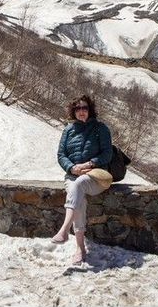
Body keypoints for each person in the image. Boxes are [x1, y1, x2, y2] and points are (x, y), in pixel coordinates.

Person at [51, 94, 113, 264]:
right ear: (73, 111)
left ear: (90, 110)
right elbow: (61, 155)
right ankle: (80, 248)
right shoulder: (68, 130)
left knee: (78, 185)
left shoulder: (101, 128)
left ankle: (64, 230)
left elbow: (107, 153)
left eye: (84, 108)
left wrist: (89, 164)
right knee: (78, 196)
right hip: (73, 174)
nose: (81, 111)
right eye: (78, 108)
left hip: (96, 176)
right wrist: (72, 167)